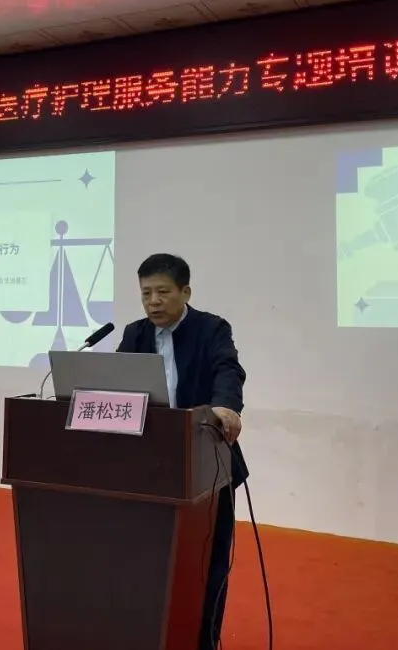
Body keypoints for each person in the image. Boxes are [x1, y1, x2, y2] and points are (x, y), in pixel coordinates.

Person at [116, 253, 248, 650]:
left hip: (206, 463)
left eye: (162, 292)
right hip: (148, 467)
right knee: (146, 560)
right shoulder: (135, 334)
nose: (153, 301)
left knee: (207, 562)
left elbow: (228, 369)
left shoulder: (212, 329)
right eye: (145, 294)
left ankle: (204, 640)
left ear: (185, 292)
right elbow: (118, 386)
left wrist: (225, 406)